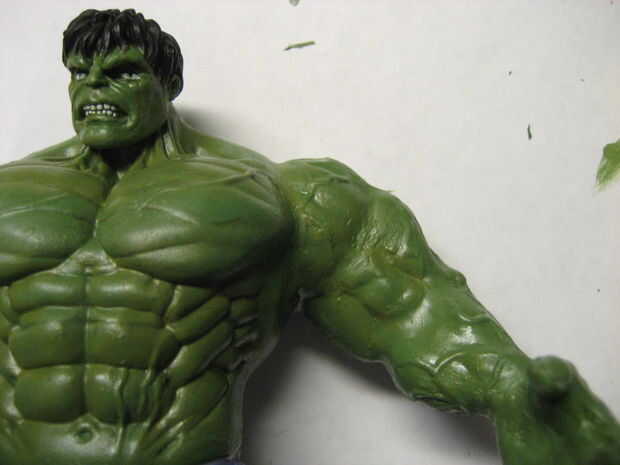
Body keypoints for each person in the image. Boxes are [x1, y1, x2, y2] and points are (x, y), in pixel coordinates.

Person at [0, 8, 616, 465]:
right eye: (80, 73)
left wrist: (509, 388)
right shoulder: (10, 192)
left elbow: (408, 306)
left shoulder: (278, 195)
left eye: (122, 72)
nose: (95, 87)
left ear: (168, 83)